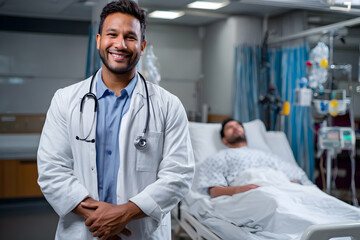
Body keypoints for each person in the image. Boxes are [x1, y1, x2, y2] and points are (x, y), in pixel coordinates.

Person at [37, 1, 194, 239]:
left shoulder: (168, 105)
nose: (120, 44)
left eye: (130, 37)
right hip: (83, 229)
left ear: (142, 46)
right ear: (99, 40)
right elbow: (52, 169)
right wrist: (101, 218)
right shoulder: (65, 100)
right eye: (112, 34)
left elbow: (178, 175)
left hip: (140, 231)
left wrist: (125, 214)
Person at [197, 118, 311, 198]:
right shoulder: (218, 158)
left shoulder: (265, 155)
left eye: (238, 125)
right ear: (224, 139)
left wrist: (290, 183)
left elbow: (297, 175)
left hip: (281, 188)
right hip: (252, 193)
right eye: (230, 128)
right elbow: (214, 191)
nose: (236, 128)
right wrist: (239, 190)